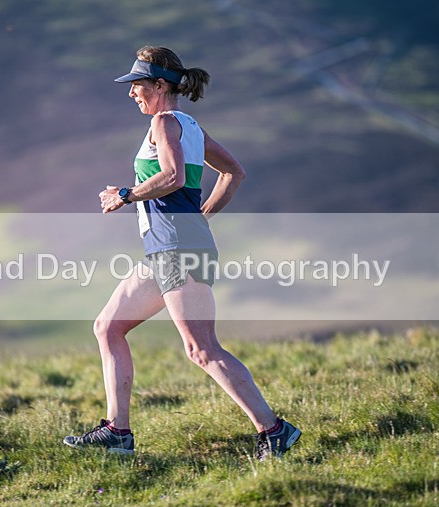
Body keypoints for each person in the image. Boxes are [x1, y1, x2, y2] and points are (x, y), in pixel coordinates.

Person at [63, 46, 301, 460]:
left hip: (177, 248)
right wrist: (202, 214)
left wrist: (126, 194)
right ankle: (117, 432)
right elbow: (234, 172)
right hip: (170, 245)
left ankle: (274, 430)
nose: (131, 93)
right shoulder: (189, 125)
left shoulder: (164, 122)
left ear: (159, 85)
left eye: (137, 85)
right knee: (108, 327)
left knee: (201, 349)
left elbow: (172, 176)